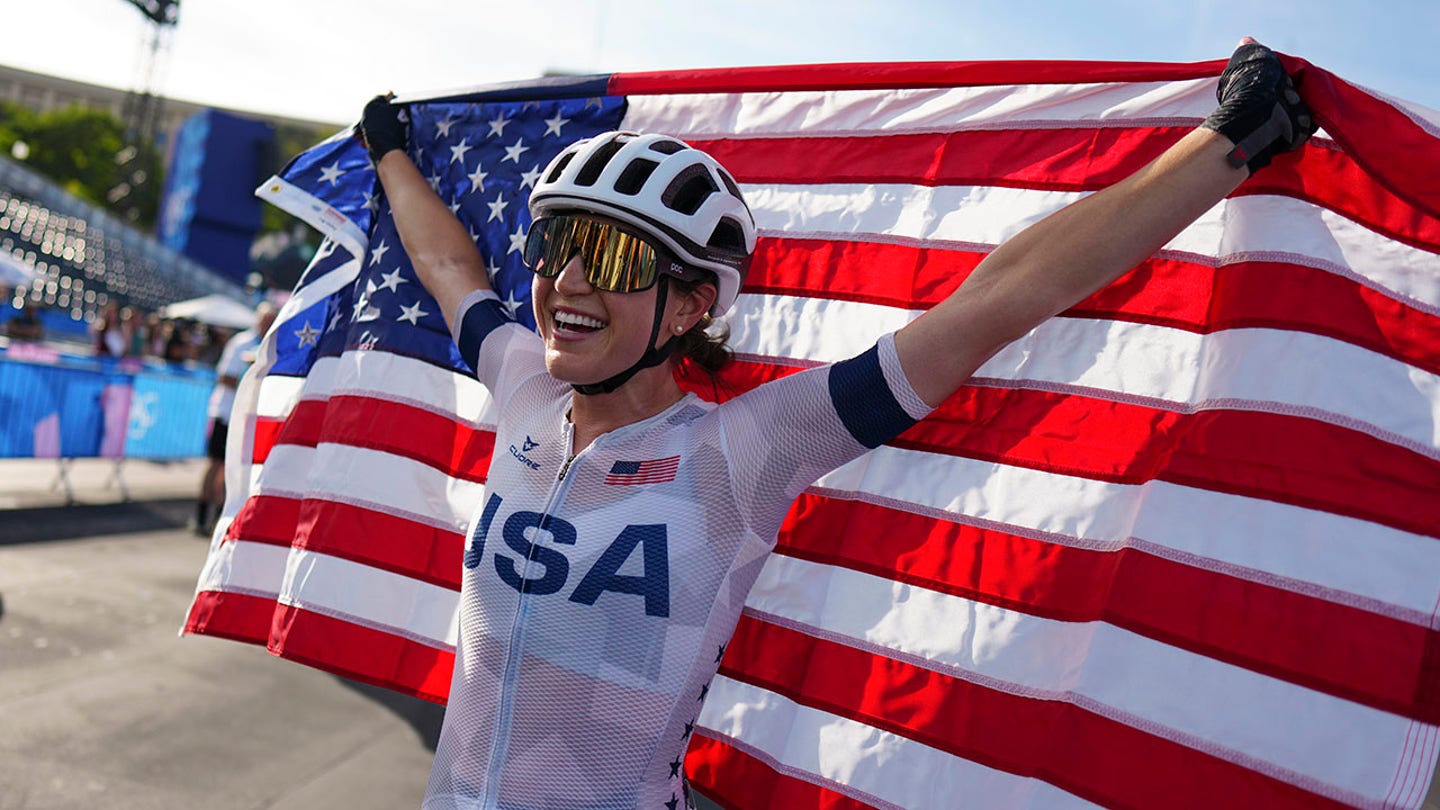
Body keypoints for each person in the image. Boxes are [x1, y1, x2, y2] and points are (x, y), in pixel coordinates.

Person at [361, 41, 1313, 810]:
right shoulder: (524, 383)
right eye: (556, 243)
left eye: (608, 254)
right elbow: (451, 270)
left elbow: (998, 302)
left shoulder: (743, 449)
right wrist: (389, 149)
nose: (566, 282)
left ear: (691, 307)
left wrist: (1227, 144)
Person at [193, 302, 277, 535]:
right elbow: (224, 377)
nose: (268, 325)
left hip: (247, 417)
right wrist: (249, 377)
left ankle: (220, 517)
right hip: (227, 413)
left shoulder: (272, 345)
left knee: (232, 469)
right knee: (216, 465)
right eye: (266, 320)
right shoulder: (241, 343)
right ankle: (201, 515)